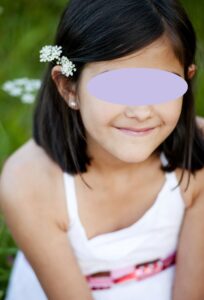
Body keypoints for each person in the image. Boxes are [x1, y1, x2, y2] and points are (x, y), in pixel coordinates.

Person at [0, 0, 204, 299]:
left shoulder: (198, 153)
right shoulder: (30, 182)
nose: (140, 110)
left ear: (187, 78)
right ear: (69, 87)